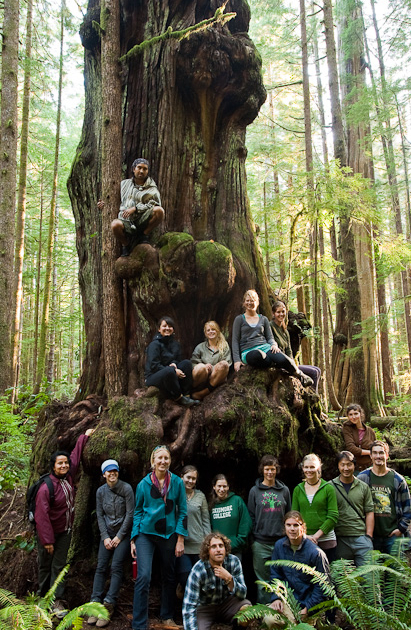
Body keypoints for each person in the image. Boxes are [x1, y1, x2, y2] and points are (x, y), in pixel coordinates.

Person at [35, 428, 95, 618]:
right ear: (53, 466)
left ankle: (56, 601)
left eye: (65, 463)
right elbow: (41, 515)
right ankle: (41, 598)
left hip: (65, 533)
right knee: (45, 565)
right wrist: (47, 540)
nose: (64, 465)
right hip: (48, 536)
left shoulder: (68, 477)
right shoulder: (46, 487)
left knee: (59, 567)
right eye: (60, 463)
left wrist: (84, 437)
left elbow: (75, 457)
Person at [130, 445, 188, 630]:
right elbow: (137, 511)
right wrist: (133, 538)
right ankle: (139, 623)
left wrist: (180, 539)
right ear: (153, 461)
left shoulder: (177, 482)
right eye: (160, 458)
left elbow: (183, 512)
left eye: (166, 458)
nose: (163, 461)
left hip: (169, 534)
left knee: (169, 575)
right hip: (146, 534)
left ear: (170, 461)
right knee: (143, 576)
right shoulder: (143, 484)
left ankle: (167, 616)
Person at [87, 459, 135, 627]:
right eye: (109, 471)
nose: (112, 473)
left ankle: (108, 604)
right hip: (107, 534)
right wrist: (105, 536)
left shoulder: (126, 489)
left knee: (116, 566)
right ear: (104, 474)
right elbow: (99, 515)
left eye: (114, 471)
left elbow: (130, 514)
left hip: (122, 535)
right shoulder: (100, 492)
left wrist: (119, 537)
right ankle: (95, 604)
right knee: (100, 567)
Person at [232, 290, 313, 387]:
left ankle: (301, 375)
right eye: (247, 301)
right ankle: (274, 362)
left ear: (257, 302)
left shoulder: (263, 319)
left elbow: (270, 337)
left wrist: (274, 345)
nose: (250, 303)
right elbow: (235, 340)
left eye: (252, 300)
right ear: (244, 302)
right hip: (248, 351)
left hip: (265, 348)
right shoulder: (239, 319)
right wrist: (237, 360)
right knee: (258, 355)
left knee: (283, 359)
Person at [264, 511, 330, 628]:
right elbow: (275, 575)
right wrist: (276, 598)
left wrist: (308, 608)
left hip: (308, 604)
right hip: (287, 601)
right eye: (288, 525)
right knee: (269, 619)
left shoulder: (315, 553)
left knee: (296, 626)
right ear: (284, 527)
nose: (292, 529)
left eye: (296, 525)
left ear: (303, 527)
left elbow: (322, 586)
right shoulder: (279, 546)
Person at [182, 532, 251, 630]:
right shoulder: (198, 570)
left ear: (225, 548)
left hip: (227, 604)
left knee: (247, 610)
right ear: (207, 551)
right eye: (214, 547)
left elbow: (243, 594)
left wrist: (229, 579)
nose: (218, 550)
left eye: (221, 546)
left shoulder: (233, 561)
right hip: (205, 608)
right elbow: (188, 606)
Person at [247, 454, 291, 603]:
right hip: (260, 542)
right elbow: (251, 516)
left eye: (272, 469)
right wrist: (253, 540)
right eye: (267, 469)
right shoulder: (254, 491)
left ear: (276, 470)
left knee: (282, 576)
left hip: (280, 542)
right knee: (263, 581)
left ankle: (283, 609)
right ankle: (265, 613)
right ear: (262, 470)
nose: (270, 472)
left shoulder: (284, 490)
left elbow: (289, 515)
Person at [358, 440, 411, 554]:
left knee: (395, 569)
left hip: (392, 535)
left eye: (381, 453)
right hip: (370, 535)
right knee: (373, 570)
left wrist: (401, 529)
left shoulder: (398, 480)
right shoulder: (362, 478)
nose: (378, 456)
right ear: (371, 456)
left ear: (387, 455)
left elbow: (407, 507)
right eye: (375, 453)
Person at [105, 158, 164, 256]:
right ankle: (126, 245)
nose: (141, 171)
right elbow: (111, 198)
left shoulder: (152, 188)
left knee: (159, 211)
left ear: (147, 171)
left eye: (144, 169)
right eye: (139, 168)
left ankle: (143, 235)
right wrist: (103, 203)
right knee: (115, 225)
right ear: (134, 169)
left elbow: (155, 204)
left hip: (142, 219)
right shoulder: (124, 184)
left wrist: (136, 208)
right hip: (126, 220)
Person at [291, 453, 338, 563]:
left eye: (312, 467)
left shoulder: (328, 488)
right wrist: (305, 537)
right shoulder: (298, 489)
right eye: (306, 467)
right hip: (304, 540)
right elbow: (294, 516)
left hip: (326, 540)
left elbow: (333, 516)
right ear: (303, 468)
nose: (309, 470)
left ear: (319, 468)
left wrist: (316, 537)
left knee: (326, 575)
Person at [145, 316, 200, 408]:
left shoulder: (175, 344)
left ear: (173, 329)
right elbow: (154, 365)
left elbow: (178, 359)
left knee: (186, 363)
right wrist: (173, 370)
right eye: (164, 326)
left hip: (170, 372)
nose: (167, 328)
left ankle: (186, 395)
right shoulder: (154, 345)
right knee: (169, 371)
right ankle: (178, 398)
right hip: (153, 376)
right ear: (159, 329)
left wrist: (174, 364)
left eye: (170, 326)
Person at [332, 451, 374, 566]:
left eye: (349, 464)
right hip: (340, 539)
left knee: (369, 577)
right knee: (343, 579)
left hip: (361, 537)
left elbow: (369, 511)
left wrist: (368, 536)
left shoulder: (363, 487)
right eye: (342, 464)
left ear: (354, 465)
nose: (346, 468)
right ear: (338, 466)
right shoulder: (330, 487)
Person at [270, 300, 321, 391]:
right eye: (278, 312)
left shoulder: (285, 330)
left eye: (283, 312)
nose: (281, 314)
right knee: (313, 373)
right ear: (273, 313)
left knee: (317, 370)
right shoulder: (270, 327)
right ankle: (312, 397)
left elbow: (289, 350)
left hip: (290, 364)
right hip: (280, 363)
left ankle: (313, 397)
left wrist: (292, 363)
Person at [176, 465, 211, 596]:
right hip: (182, 544)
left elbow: (205, 520)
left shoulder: (200, 496)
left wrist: (208, 542)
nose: (190, 481)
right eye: (188, 477)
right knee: (185, 576)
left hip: (199, 544)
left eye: (193, 479)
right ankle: (182, 588)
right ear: (181, 477)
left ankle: (197, 610)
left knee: (200, 579)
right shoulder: (175, 495)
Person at [209, 474, 252, 559]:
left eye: (224, 486)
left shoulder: (237, 501)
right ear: (214, 487)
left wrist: (236, 543)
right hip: (216, 551)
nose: (222, 489)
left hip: (235, 550)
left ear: (228, 487)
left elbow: (246, 524)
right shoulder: (210, 505)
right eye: (219, 486)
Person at [191, 321, 232, 400]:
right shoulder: (200, 347)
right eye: (208, 330)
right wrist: (205, 367)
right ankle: (191, 391)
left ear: (217, 331)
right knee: (200, 368)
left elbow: (228, 364)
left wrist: (213, 369)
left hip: (216, 377)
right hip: (202, 377)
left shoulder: (224, 346)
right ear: (205, 333)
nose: (211, 332)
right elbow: (193, 362)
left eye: (213, 329)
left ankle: (205, 392)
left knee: (224, 364)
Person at [342, 403, 376, 472]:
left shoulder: (370, 431)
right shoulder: (347, 428)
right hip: (355, 466)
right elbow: (351, 448)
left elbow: (375, 447)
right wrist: (370, 452)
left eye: (356, 413)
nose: (353, 417)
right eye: (350, 415)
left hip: (370, 465)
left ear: (360, 414)